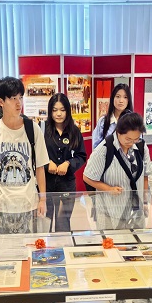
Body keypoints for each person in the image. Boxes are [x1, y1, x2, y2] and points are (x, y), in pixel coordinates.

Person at [0, 76, 56, 303]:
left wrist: (42, 199)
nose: (19, 103)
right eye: (13, 98)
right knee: (9, 253)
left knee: (37, 252)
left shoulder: (32, 129)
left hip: (29, 202)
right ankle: (15, 300)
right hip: (3, 204)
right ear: (0, 101)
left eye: (21, 97)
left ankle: (44, 299)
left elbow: (40, 167)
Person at [83, 112, 152, 303]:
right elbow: (88, 177)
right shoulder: (104, 149)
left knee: (136, 251)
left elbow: (145, 175)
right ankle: (116, 294)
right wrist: (108, 188)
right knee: (113, 252)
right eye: (128, 139)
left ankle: (139, 293)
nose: (131, 143)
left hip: (135, 210)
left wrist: (145, 200)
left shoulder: (141, 147)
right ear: (118, 133)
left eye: (135, 139)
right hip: (110, 210)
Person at [44, 93, 87, 232]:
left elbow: (81, 156)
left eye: (62, 110)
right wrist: (47, 163)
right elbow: (35, 155)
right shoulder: (42, 129)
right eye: (55, 110)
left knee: (63, 223)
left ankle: (63, 244)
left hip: (66, 184)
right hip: (46, 183)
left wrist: (68, 163)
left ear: (68, 110)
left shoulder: (74, 131)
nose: (58, 114)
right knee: (45, 222)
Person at [92, 83, 133, 148]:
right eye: (118, 96)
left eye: (125, 97)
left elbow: (138, 147)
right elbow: (96, 147)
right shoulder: (103, 121)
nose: (121, 101)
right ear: (112, 99)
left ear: (128, 100)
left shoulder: (134, 122)